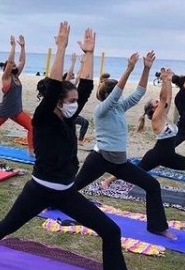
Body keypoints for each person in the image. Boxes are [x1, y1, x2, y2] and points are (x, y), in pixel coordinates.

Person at [0, 23, 144, 270]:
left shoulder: (67, 117)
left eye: (75, 101)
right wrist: (60, 47)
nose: (75, 105)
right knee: (7, 226)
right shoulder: (43, 117)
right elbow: (57, 86)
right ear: (57, 102)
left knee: (111, 230)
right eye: (70, 101)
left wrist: (89, 54)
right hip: (39, 190)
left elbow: (84, 86)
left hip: (67, 192)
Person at [72, 51, 175, 239]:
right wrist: (129, 69)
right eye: (116, 94)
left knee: (152, 185)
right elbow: (117, 93)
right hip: (99, 159)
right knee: (73, 187)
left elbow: (139, 92)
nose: (119, 96)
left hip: (119, 163)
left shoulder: (120, 107)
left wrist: (146, 68)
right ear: (109, 95)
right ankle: (49, 201)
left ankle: (157, 226)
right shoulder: (101, 110)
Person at [103, 67, 185, 204]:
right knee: (133, 171)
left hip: (169, 156)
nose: (159, 102)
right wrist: (164, 81)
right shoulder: (156, 119)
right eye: (156, 102)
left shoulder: (164, 116)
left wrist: (167, 81)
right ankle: (108, 180)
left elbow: (168, 98)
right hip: (156, 155)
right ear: (154, 108)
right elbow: (163, 97)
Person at [63, 53, 90, 145]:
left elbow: (78, 75)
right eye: (71, 77)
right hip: (65, 114)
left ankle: (79, 140)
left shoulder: (72, 85)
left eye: (73, 78)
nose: (73, 78)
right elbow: (69, 74)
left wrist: (82, 63)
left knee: (84, 123)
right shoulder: (64, 86)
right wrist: (73, 62)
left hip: (72, 114)